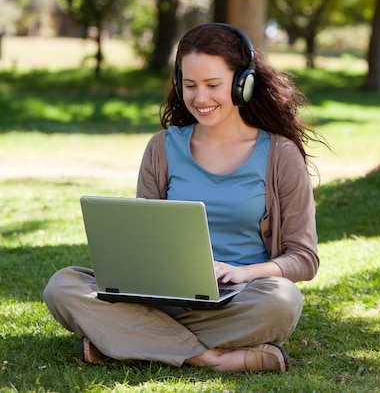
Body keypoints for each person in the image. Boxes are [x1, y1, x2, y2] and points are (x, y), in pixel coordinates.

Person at [43, 22, 319, 373]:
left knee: (284, 301)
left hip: (240, 299)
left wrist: (244, 273)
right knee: (62, 286)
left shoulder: (280, 154)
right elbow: (146, 238)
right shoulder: (162, 148)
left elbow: (304, 258)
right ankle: (209, 358)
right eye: (190, 85)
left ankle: (123, 340)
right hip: (164, 298)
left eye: (213, 85)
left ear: (241, 84)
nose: (200, 99)